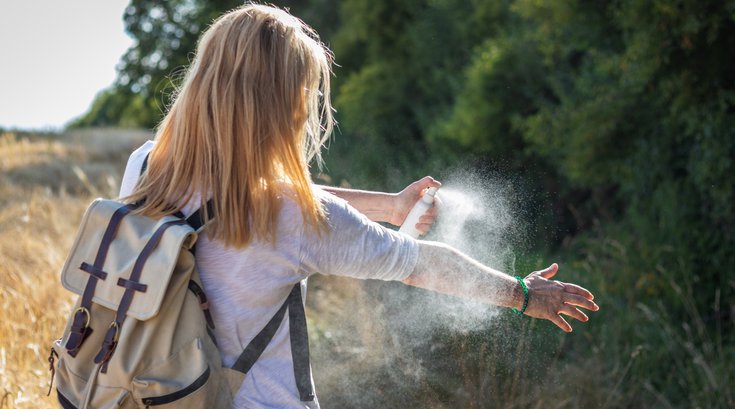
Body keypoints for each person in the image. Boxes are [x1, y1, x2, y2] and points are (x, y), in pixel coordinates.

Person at [119, 4, 598, 408]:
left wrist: (390, 207)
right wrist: (525, 295)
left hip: (151, 394)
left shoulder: (147, 165)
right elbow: (421, 263)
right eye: (304, 88)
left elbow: (260, 195)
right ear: (282, 100)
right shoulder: (291, 215)